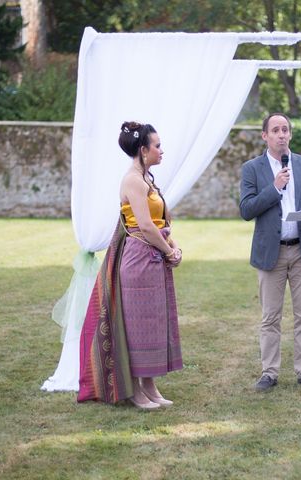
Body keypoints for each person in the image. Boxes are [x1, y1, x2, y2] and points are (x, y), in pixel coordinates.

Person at [78, 121, 183, 410]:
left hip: (154, 257)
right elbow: (146, 227)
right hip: (139, 258)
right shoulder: (132, 181)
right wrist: (167, 252)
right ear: (142, 149)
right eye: (157, 145)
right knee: (137, 325)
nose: (162, 150)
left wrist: (174, 248)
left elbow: (162, 224)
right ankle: (135, 390)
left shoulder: (148, 178)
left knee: (154, 322)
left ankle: (150, 385)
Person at [239, 113, 301, 391]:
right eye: (275, 130)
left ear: (290, 135)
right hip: (271, 254)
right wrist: (274, 188)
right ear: (265, 136)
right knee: (270, 317)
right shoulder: (252, 169)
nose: (281, 134)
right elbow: (246, 209)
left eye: (285, 130)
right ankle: (269, 373)